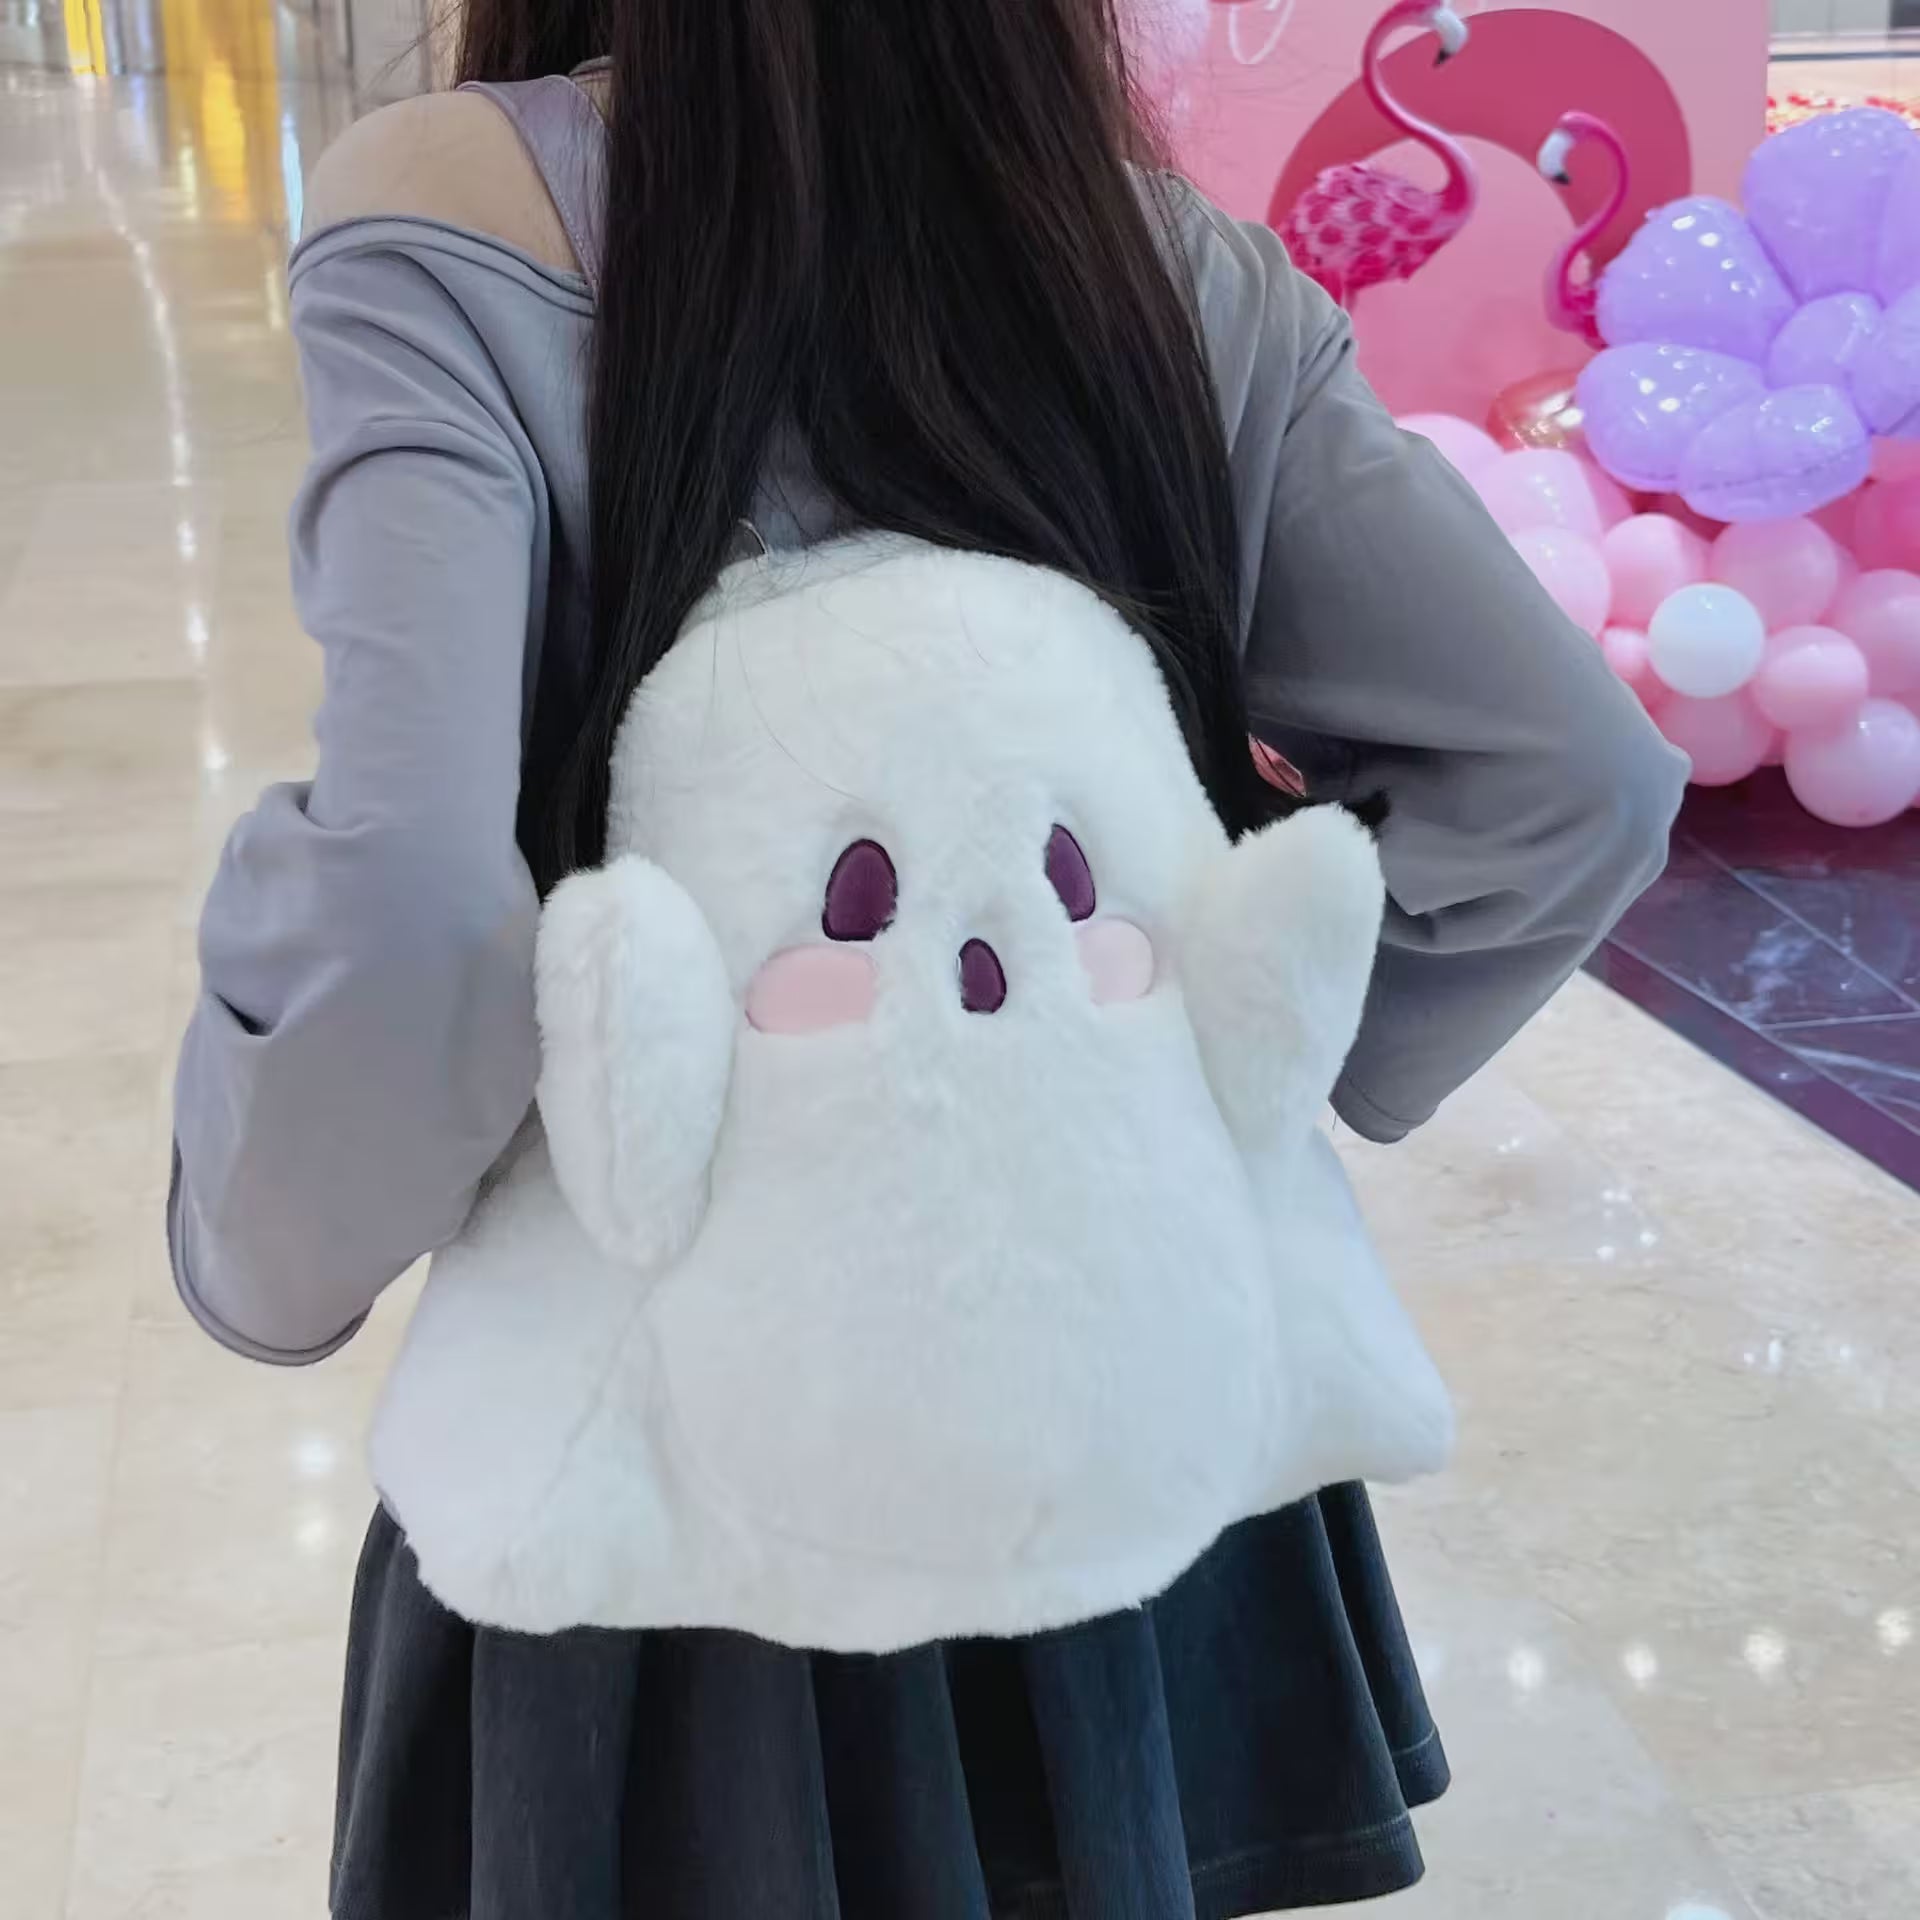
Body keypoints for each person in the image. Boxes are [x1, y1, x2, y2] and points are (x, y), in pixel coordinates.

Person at [169, 2, 1687, 1914]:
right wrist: (1180, 1066)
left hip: (678, 1488)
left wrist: (257, 1258)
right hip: (1114, 1443)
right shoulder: (1160, 258)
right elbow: (1578, 782)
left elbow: (412, 912)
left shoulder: (457, 214)